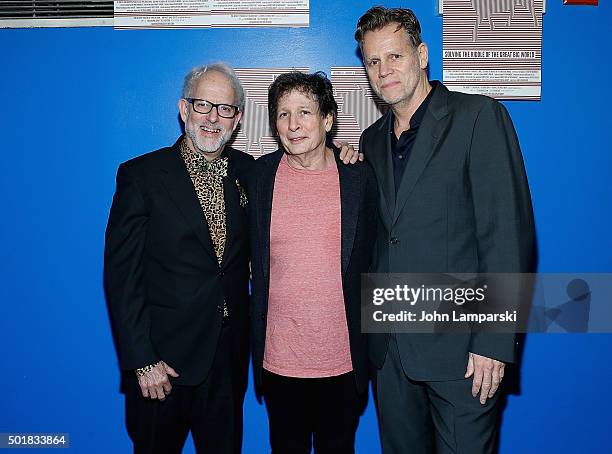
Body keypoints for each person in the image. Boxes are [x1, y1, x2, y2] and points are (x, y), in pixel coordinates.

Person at [355, 6, 535, 454]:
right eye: (373, 61)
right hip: (390, 350)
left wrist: (493, 341)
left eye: (394, 56)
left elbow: (507, 236)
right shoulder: (371, 140)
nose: (384, 70)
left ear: (422, 54)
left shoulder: (478, 117)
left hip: (463, 354)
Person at [104, 62, 253, 453]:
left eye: (224, 109)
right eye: (203, 105)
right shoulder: (142, 176)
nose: (212, 118)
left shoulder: (251, 173)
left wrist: (343, 152)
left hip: (227, 358)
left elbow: (305, 162)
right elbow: (122, 277)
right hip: (162, 367)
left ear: (236, 119)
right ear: (184, 109)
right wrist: (142, 361)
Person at [248, 71, 377, 454]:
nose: (293, 124)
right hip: (279, 362)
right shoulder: (258, 177)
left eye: (304, 112)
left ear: (327, 120)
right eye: (283, 113)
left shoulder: (359, 176)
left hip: (342, 362)